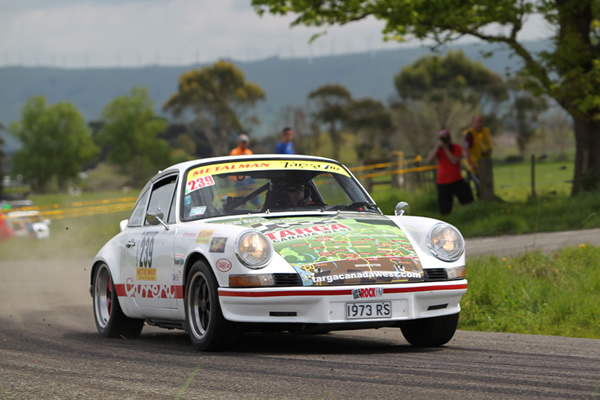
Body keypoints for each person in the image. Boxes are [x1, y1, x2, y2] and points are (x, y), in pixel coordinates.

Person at [427, 129, 473, 215]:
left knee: (468, 201)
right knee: (444, 209)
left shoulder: (456, 147)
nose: (445, 140)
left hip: (457, 180)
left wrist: (445, 149)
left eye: (446, 138)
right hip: (442, 182)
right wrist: (437, 147)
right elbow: (429, 159)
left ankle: (470, 215)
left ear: (450, 138)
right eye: (442, 138)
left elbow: (454, 161)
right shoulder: (438, 150)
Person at [462, 115, 493, 198]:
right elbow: (466, 149)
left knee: (487, 186)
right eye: (478, 122)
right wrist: (470, 164)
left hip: (484, 165)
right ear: (473, 123)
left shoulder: (485, 132)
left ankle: (486, 202)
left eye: (481, 122)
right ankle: (480, 202)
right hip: (474, 167)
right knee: (481, 187)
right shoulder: (469, 134)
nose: (480, 124)